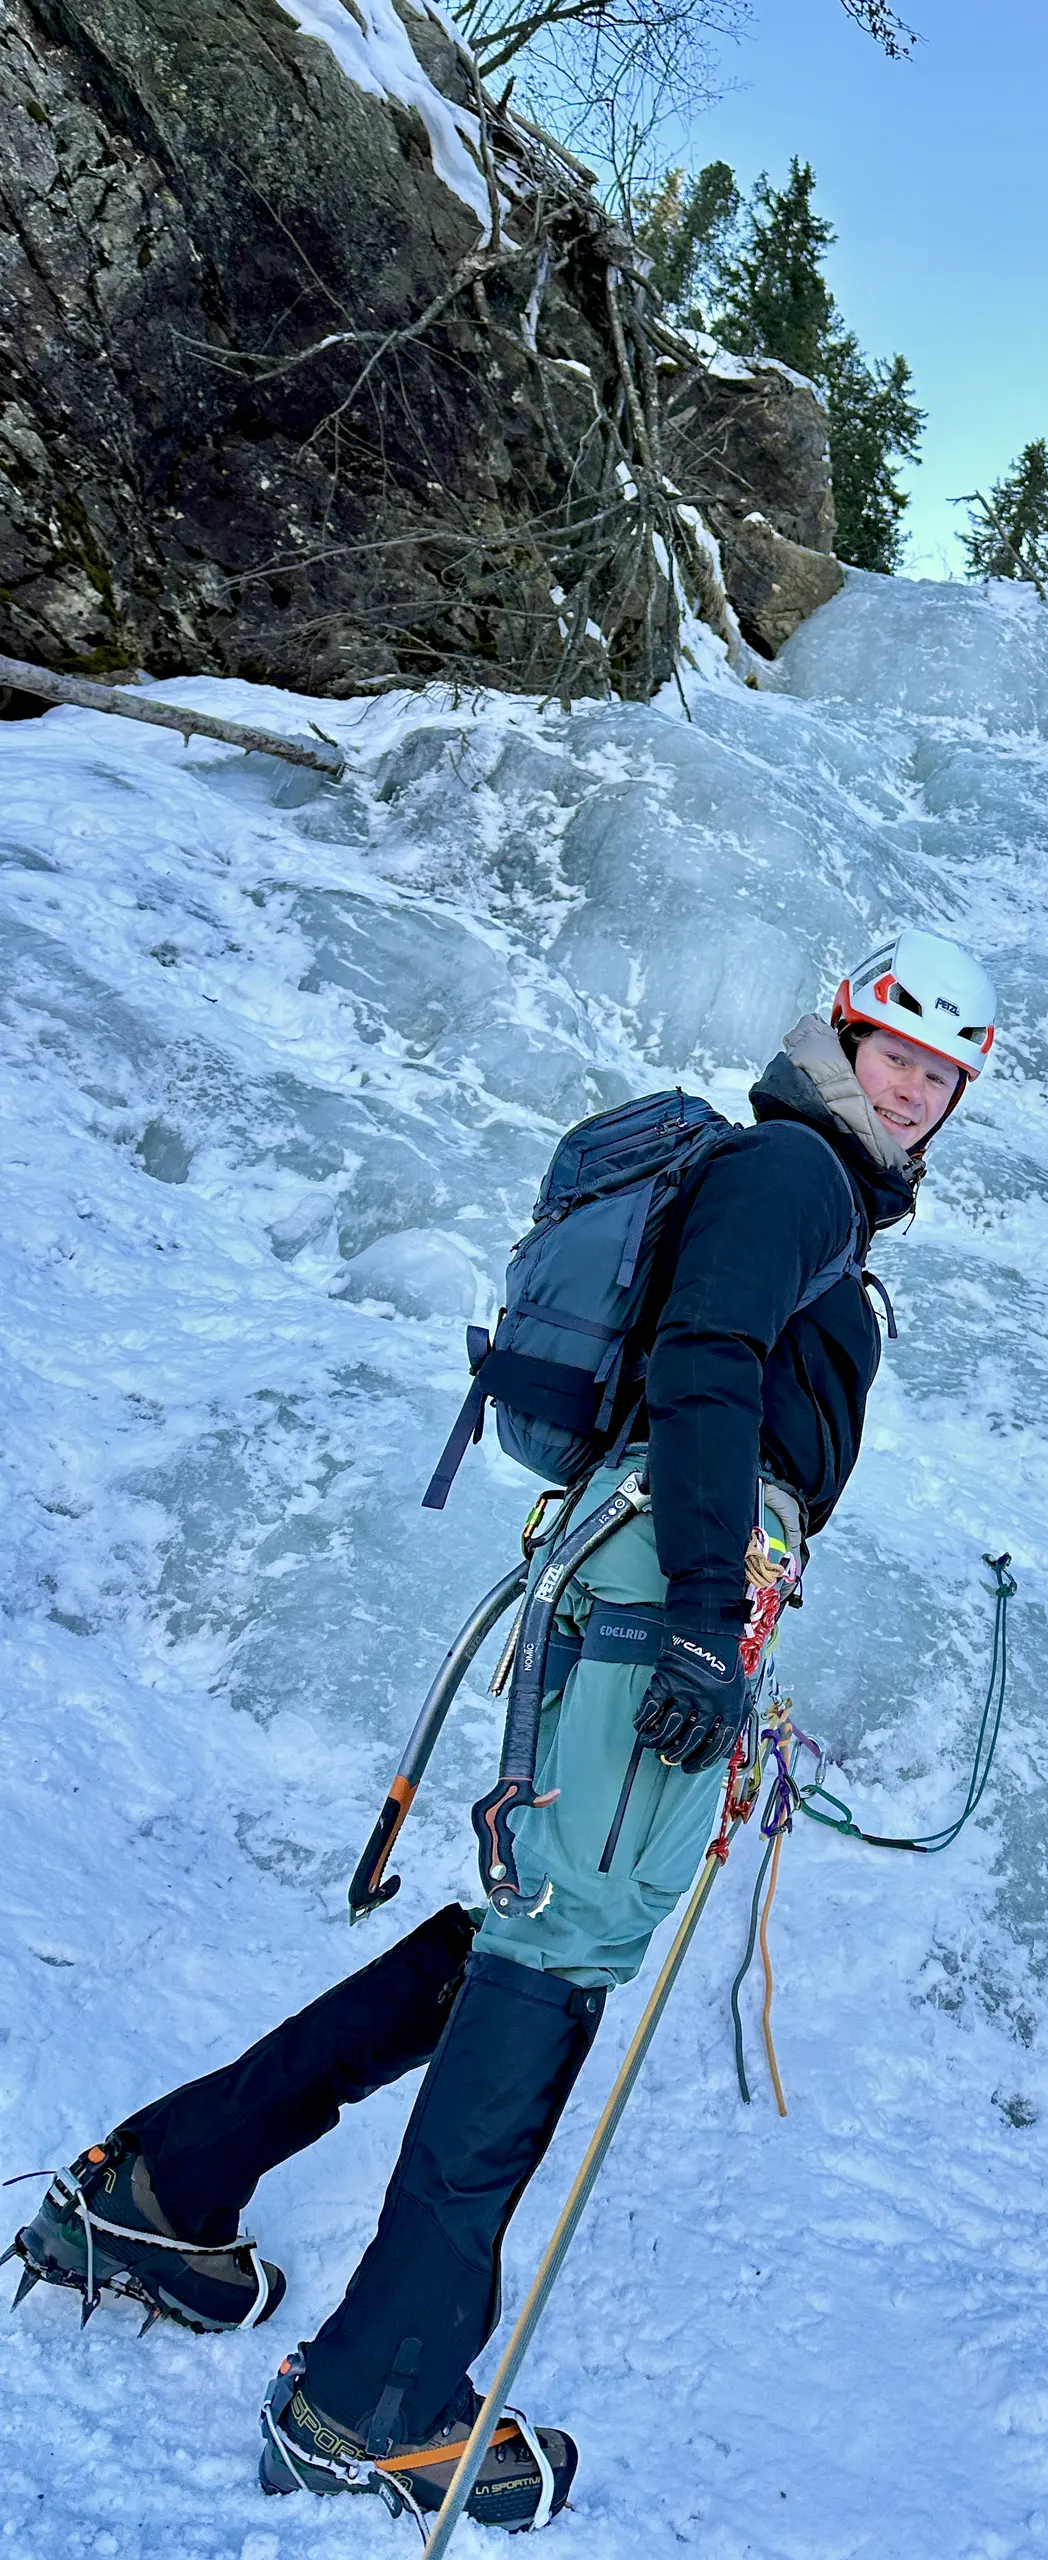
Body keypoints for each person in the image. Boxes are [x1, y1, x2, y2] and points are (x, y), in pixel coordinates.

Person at [12, 930, 998, 2533]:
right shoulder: (797, 1174)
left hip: (648, 1572)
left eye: (945, 1074)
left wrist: (707, 1598)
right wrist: (696, 1605)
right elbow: (703, 1365)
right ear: (842, 1031)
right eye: (899, 1051)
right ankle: (376, 2397)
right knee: (559, 1948)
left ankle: (158, 2194)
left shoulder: (800, 1181)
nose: (916, 1088)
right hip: (660, 1583)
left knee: (516, 1932)